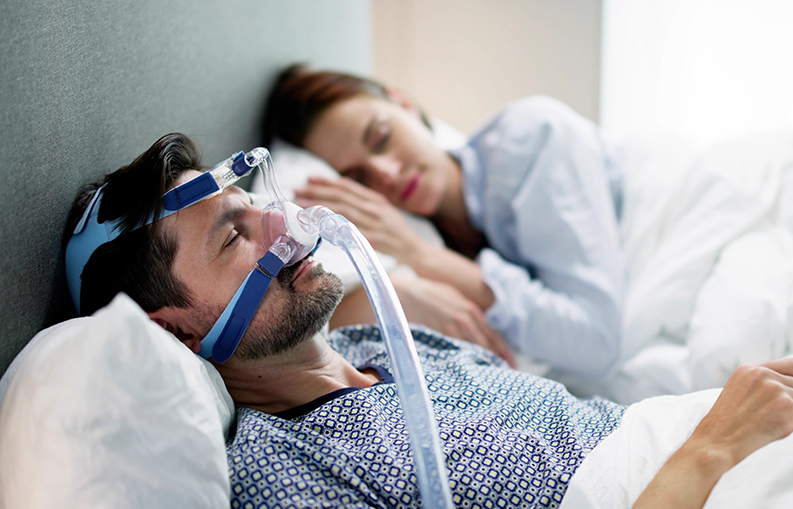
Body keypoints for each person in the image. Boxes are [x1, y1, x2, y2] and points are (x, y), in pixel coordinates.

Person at [63, 132, 793, 509]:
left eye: (251, 202)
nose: (276, 221)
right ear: (180, 336)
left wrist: (716, 426)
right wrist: (708, 451)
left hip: (714, 445)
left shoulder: (388, 346)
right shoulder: (283, 486)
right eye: (233, 239)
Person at [261, 65, 626, 378]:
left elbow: (597, 342)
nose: (387, 173)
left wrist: (418, 253)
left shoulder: (532, 139)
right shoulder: (435, 229)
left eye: (381, 138)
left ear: (404, 103)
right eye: (359, 178)